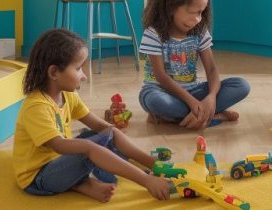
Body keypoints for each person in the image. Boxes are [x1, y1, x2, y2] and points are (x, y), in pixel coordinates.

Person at [12, 29, 172, 202]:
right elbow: (61, 146)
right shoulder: (36, 107)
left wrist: (152, 165)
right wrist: (146, 180)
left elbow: (104, 129)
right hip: (39, 178)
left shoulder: (68, 95)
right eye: (78, 68)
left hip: (61, 163)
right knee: (90, 148)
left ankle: (150, 165)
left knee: (108, 134)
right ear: (54, 73)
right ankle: (84, 184)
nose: (84, 76)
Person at [138, 0, 249, 129]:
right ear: (172, 7)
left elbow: (211, 69)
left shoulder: (199, 31)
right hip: (160, 91)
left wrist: (211, 98)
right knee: (156, 102)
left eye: (201, 13)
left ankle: (178, 117)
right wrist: (192, 102)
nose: (198, 19)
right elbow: (161, 77)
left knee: (241, 85)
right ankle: (213, 116)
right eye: (193, 12)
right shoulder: (154, 33)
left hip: (193, 90)